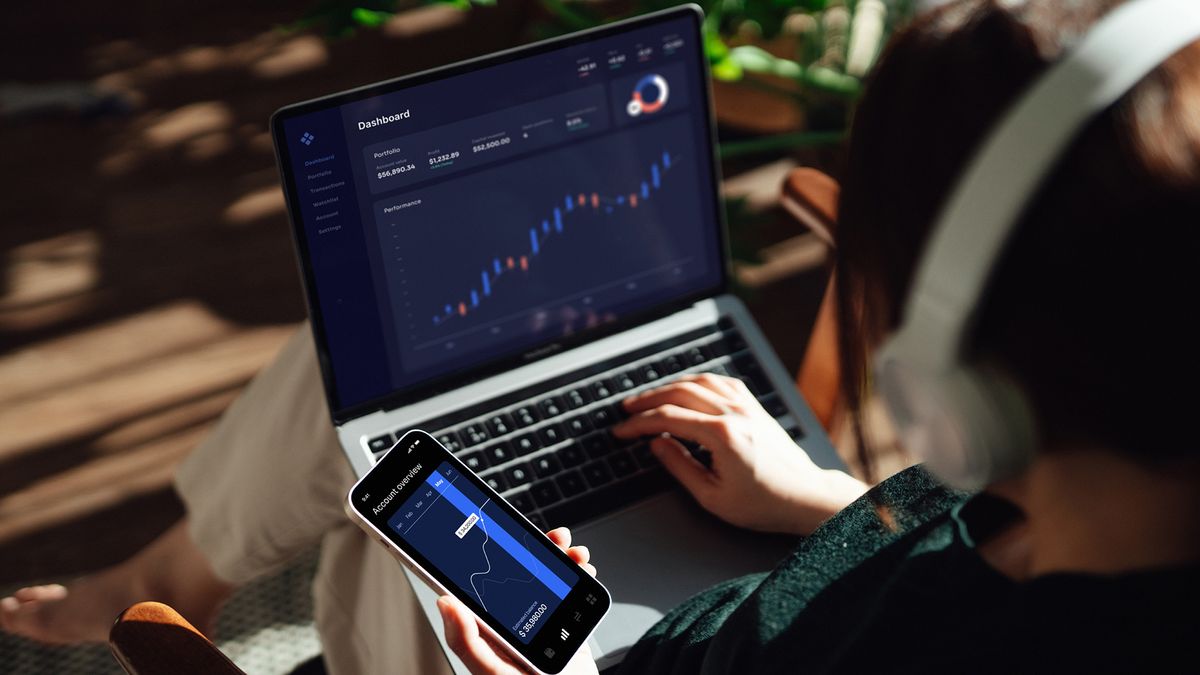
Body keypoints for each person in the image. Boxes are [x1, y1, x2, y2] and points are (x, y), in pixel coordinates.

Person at [4, 0, 1200, 672]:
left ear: (956, 379)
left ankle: (166, 583)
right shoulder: (1065, 531)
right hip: (738, 578)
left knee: (382, 424)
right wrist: (834, 505)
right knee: (399, 400)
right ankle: (170, 572)